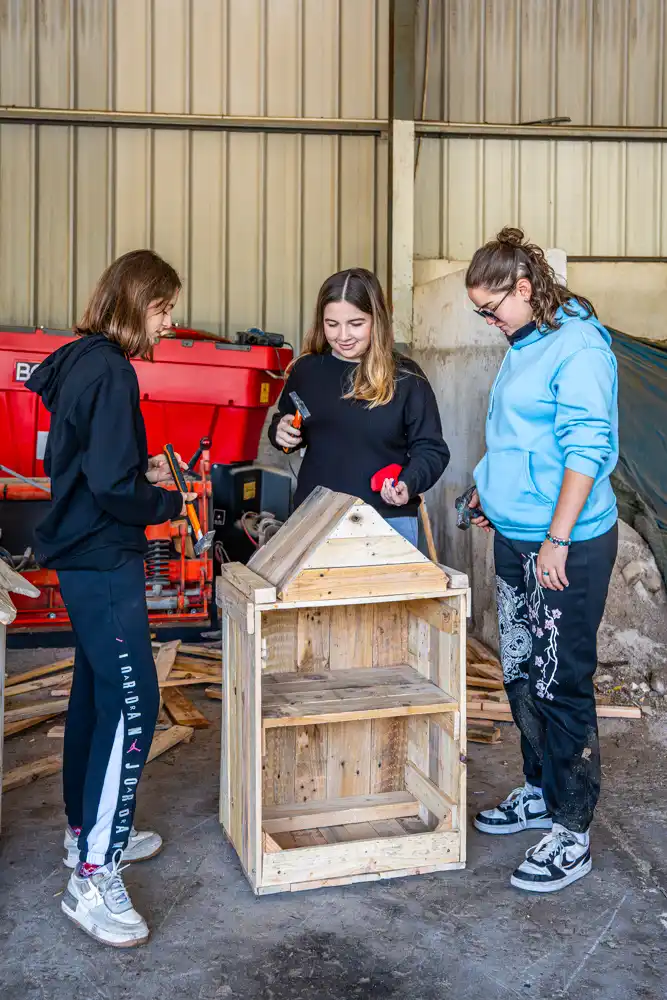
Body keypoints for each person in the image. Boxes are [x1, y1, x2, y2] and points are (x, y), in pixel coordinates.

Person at [27, 250, 196, 947]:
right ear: (133, 304)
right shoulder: (112, 372)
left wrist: (137, 468)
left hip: (83, 554)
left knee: (96, 696)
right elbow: (112, 489)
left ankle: (83, 835)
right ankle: (93, 879)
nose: (168, 323)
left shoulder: (79, 361)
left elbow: (85, 462)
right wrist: (168, 499)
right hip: (101, 558)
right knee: (133, 704)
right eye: (162, 309)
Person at [465, 227, 618, 893]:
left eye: (490, 308)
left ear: (524, 289)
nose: (488, 321)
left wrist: (557, 537)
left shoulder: (578, 347)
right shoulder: (524, 341)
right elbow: (514, 436)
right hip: (515, 535)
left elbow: (586, 448)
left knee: (560, 682)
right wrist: (487, 488)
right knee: (522, 672)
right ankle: (539, 789)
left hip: (565, 546)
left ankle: (571, 831)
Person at [268, 267, 450, 544]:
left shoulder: (406, 377)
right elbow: (285, 423)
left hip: (385, 521)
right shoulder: (306, 370)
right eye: (332, 324)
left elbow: (432, 449)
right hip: (313, 519)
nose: (343, 335)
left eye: (355, 323)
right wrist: (280, 432)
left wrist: (408, 482)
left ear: (377, 320)